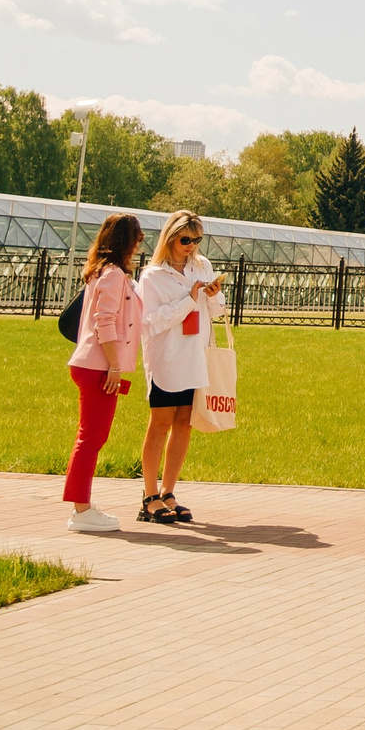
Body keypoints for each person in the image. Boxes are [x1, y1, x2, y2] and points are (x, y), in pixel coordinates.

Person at [134, 210, 224, 525]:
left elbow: (215, 311)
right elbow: (150, 322)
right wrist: (189, 298)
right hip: (166, 357)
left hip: (194, 355)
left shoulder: (202, 266)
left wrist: (212, 296)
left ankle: (168, 491)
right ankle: (149, 497)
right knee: (160, 423)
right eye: (186, 239)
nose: (191, 246)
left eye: (197, 240)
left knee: (185, 423)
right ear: (171, 238)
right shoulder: (152, 276)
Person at [63, 213, 144, 533]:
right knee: (91, 437)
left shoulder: (106, 273)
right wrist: (113, 366)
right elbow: (105, 322)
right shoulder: (112, 276)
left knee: (92, 436)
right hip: (98, 364)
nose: (139, 245)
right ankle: (81, 509)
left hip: (93, 363)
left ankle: (81, 506)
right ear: (126, 240)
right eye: (137, 239)